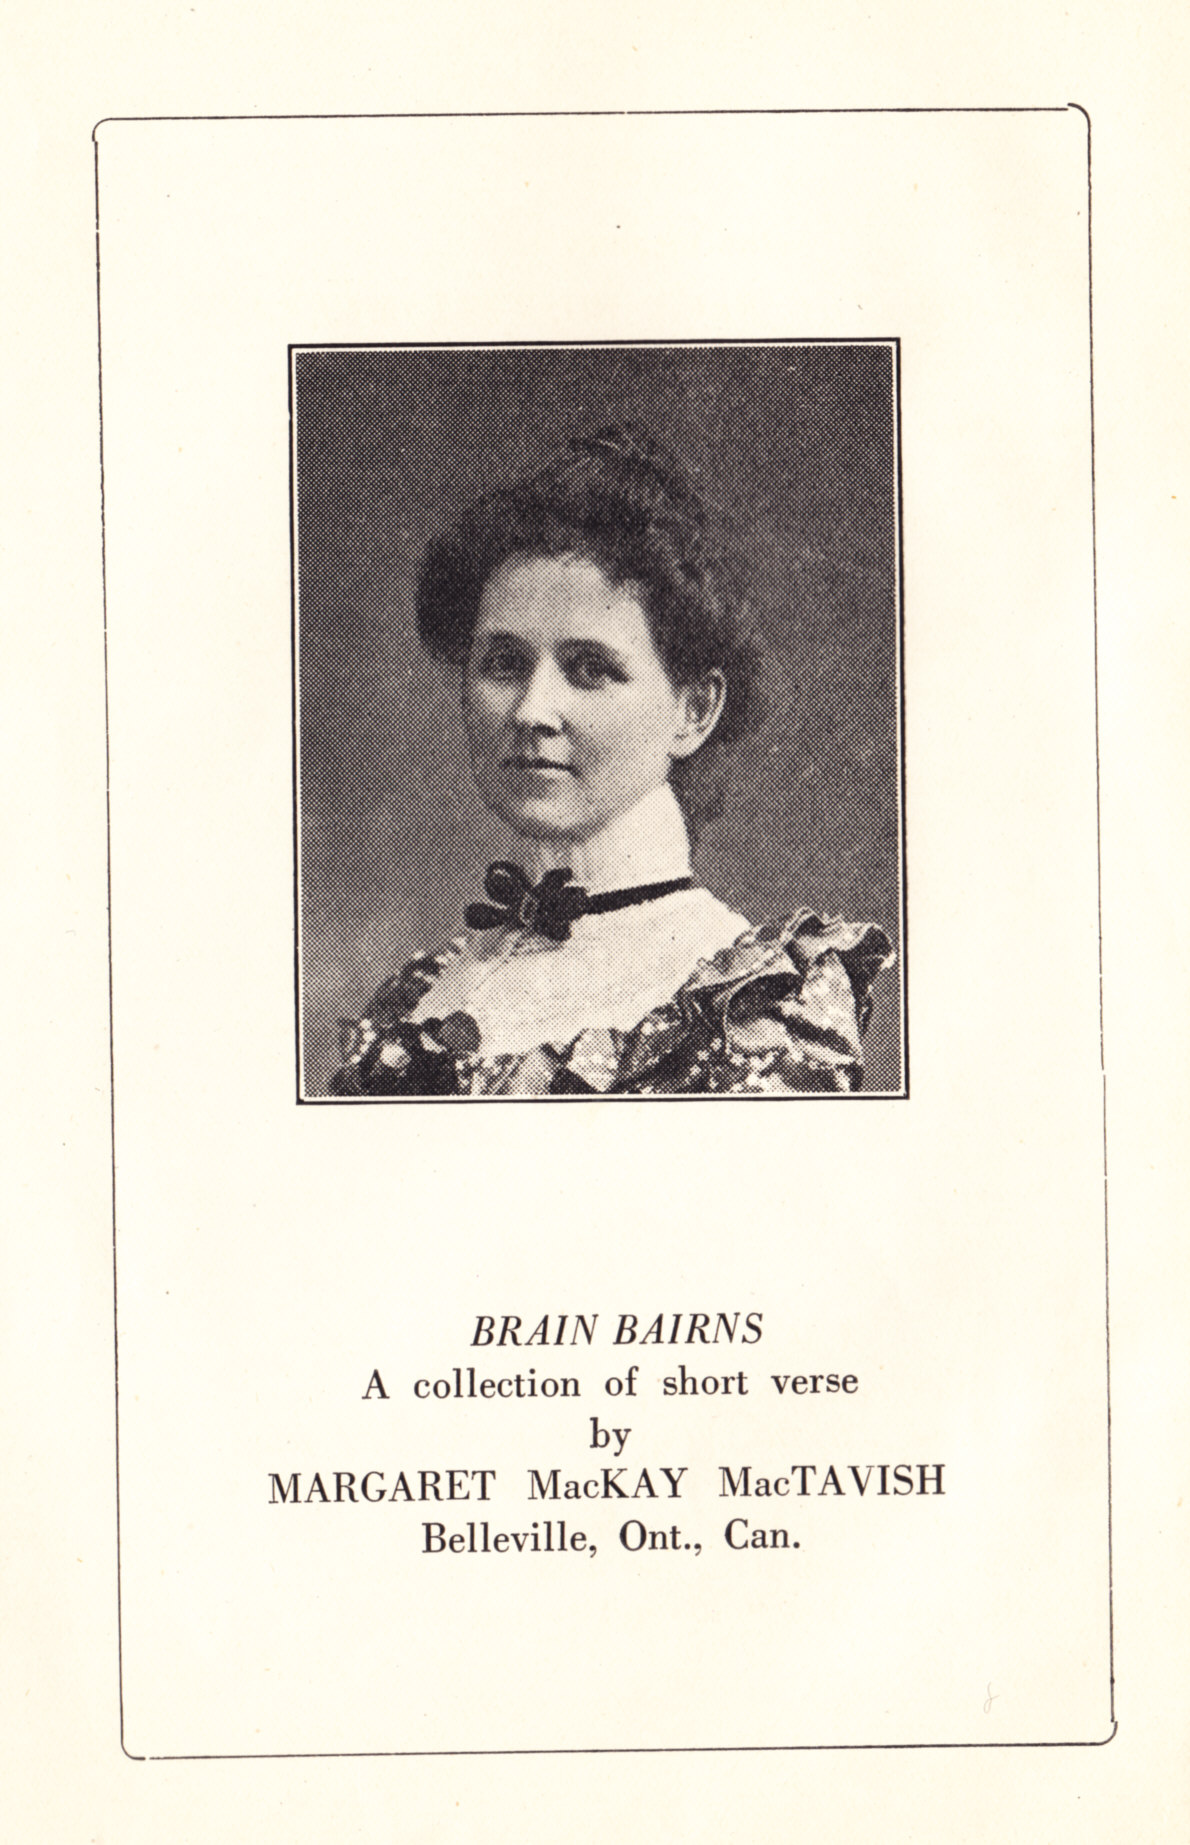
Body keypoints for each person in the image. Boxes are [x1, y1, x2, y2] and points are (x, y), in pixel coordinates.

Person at [330, 424, 892, 1098]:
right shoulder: (412, 999)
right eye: (504, 663)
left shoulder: (752, 1008)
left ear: (694, 711)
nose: (532, 710)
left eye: (589, 668)